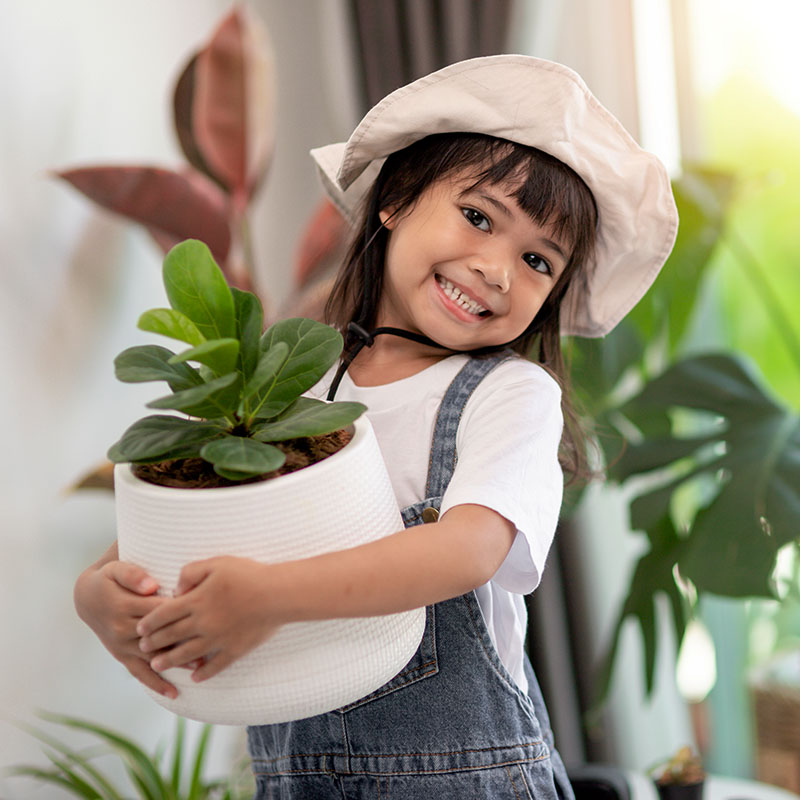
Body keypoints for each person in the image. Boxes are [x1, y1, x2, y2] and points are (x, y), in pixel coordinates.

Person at [74, 55, 678, 798]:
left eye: (536, 260)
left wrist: (267, 596)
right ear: (394, 198)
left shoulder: (510, 394)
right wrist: (100, 595)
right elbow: (165, 531)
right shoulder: (293, 383)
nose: (496, 269)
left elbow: (466, 551)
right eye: (478, 216)